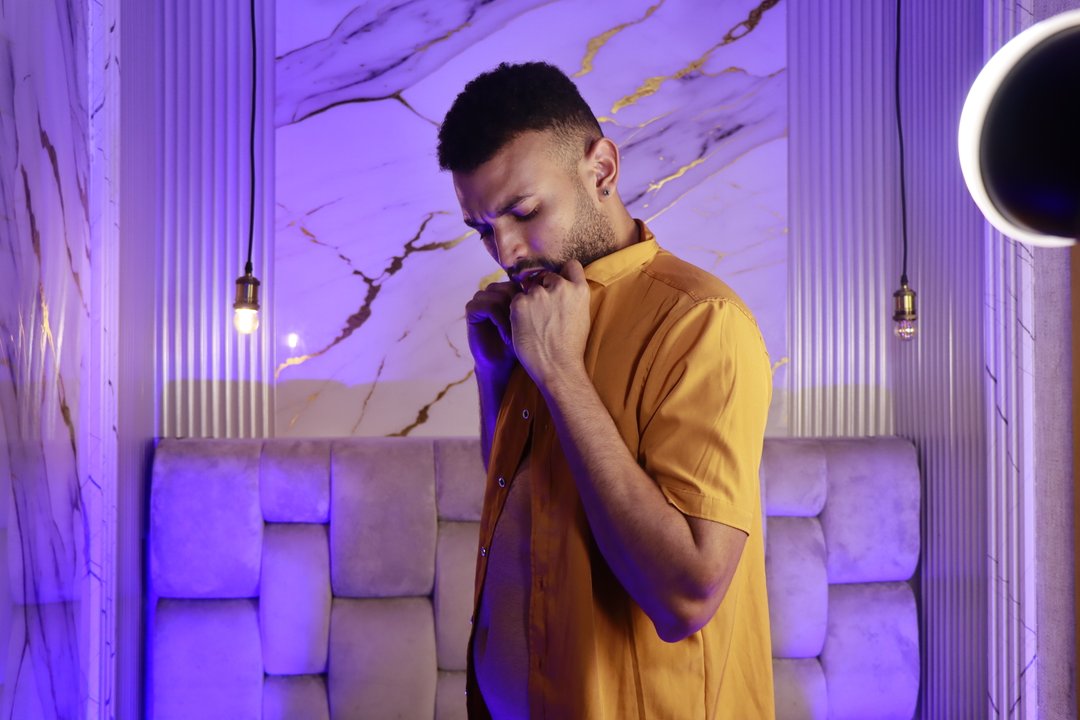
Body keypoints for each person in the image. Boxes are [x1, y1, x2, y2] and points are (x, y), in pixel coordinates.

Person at [437, 61, 774, 720]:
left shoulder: (701, 322)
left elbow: (685, 597)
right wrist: (498, 375)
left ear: (602, 171)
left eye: (524, 211)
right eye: (482, 228)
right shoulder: (540, 311)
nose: (505, 250)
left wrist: (561, 374)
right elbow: (533, 500)